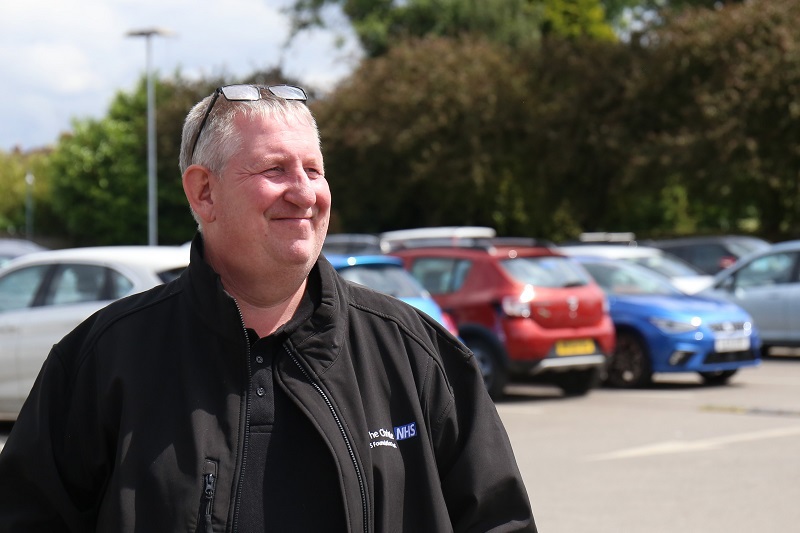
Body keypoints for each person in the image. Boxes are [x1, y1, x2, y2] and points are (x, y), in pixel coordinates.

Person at [0, 84, 537, 532]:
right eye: (275, 169)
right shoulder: (103, 360)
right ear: (203, 193)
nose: (304, 193)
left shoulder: (417, 355)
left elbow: (499, 522)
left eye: (314, 169)